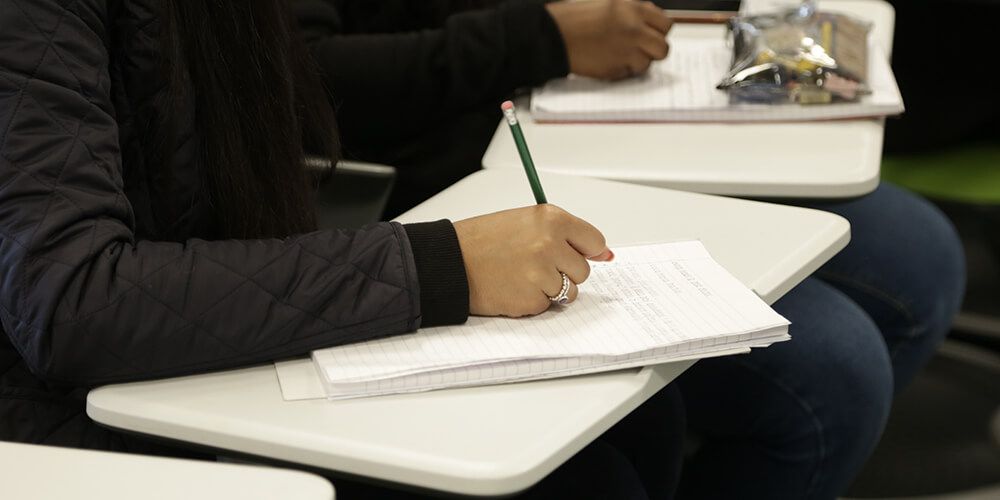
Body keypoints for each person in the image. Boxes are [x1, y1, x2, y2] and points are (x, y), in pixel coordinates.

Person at [0, 1, 685, 498]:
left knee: (637, 433)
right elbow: (69, 301)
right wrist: (442, 265)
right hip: (73, 425)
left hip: (209, 358)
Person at [294, 1, 967, 498]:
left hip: (589, 107)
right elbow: (299, 78)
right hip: (454, 169)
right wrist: (540, 38)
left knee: (919, 258)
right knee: (837, 368)